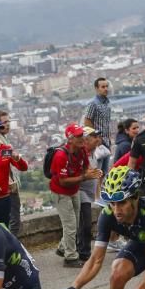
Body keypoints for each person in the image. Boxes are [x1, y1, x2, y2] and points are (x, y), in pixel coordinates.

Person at [50, 124, 98, 267]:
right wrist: (84, 177)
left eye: (81, 135)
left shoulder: (81, 150)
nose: (82, 138)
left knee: (75, 223)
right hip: (61, 192)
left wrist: (89, 173)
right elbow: (63, 181)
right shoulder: (61, 156)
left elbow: (85, 166)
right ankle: (70, 258)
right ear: (70, 139)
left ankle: (62, 247)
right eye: (78, 136)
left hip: (74, 190)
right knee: (70, 225)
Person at [0, 110, 24, 234]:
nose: (8, 125)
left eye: (8, 121)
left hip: (7, 185)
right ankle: (11, 247)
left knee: (10, 219)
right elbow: (2, 158)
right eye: (4, 122)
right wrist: (14, 155)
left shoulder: (3, 139)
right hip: (8, 186)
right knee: (13, 220)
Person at [76, 128, 107, 260]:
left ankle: (79, 249)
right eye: (95, 137)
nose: (98, 140)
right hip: (80, 192)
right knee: (86, 223)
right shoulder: (80, 154)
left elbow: (106, 151)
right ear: (87, 140)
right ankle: (84, 252)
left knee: (83, 223)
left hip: (89, 193)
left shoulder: (95, 152)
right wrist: (89, 174)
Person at [83, 77, 113, 174]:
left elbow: (106, 123)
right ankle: (97, 189)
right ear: (96, 88)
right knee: (97, 171)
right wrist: (95, 138)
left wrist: (109, 139)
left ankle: (100, 189)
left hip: (106, 142)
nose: (106, 89)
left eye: (107, 86)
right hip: (97, 143)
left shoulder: (107, 103)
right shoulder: (93, 103)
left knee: (104, 171)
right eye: (103, 87)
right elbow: (87, 121)